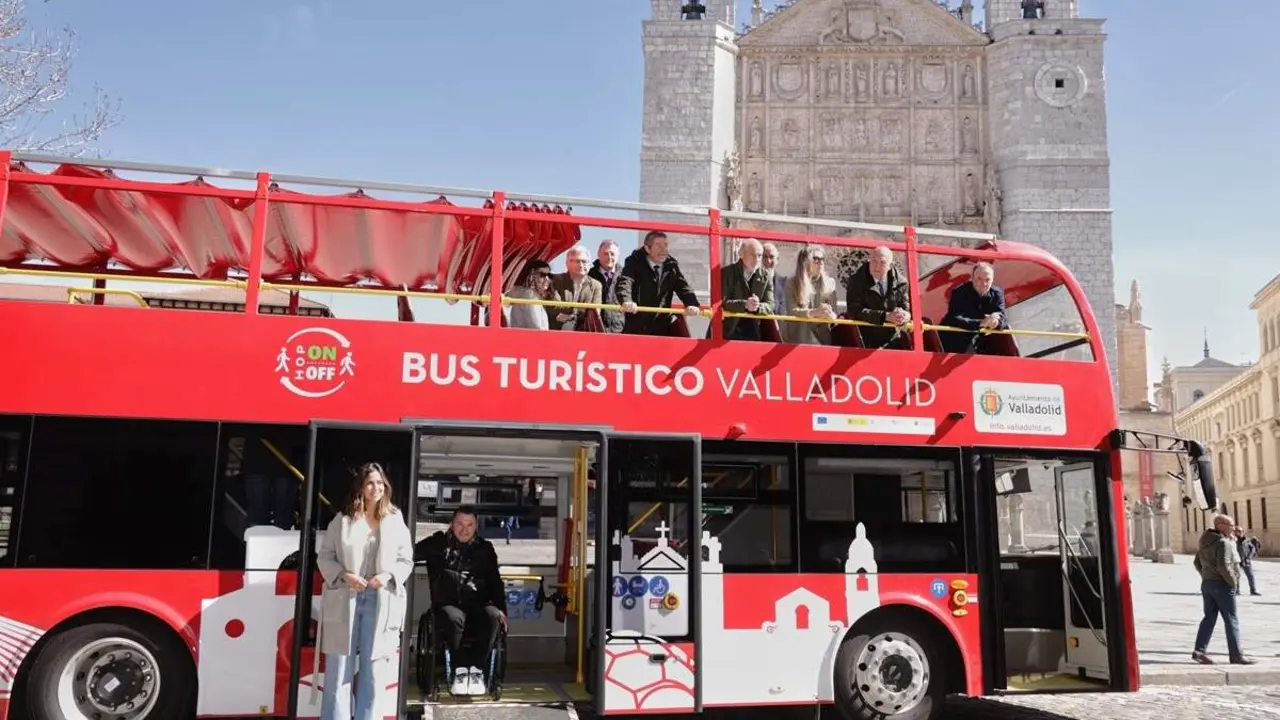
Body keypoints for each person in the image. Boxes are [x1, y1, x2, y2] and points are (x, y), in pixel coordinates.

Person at [315, 463, 414, 720]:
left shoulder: (395, 519)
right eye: (370, 483)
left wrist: (387, 576)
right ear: (360, 486)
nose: (376, 488)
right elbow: (325, 557)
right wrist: (345, 575)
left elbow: (406, 560)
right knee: (338, 670)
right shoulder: (343, 519)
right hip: (346, 597)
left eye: (380, 483)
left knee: (373, 670)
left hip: (380, 600)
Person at [416, 507, 508, 696]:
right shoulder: (437, 543)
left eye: (469, 525)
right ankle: (460, 671)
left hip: (478, 602)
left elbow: (495, 582)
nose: (464, 529)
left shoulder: (485, 548)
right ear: (452, 524)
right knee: (454, 618)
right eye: (460, 524)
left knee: (492, 616)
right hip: (448, 603)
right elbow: (408, 553)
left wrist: (502, 609)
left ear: (476, 527)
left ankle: (476, 671)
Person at [1191, 514, 1255, 665]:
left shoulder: (1204, 540)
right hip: (1222, 585)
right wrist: (1233, 582)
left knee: (1209, 618)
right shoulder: (1223, 543)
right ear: (1220, 525)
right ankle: (1236, 655)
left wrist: (1206, 576)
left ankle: (1199, 651)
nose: (1233, 528)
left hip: (1207, 584)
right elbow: (1224, 566)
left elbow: (1196, 562)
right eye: (1230, 525)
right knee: (1231, 620)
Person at [615, 230, 702, 336]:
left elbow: (683, 287)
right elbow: (625, 281)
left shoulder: (671, 266)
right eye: (659, 245)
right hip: (637, 326)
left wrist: (692, 304)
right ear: (647, 248)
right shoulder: (634, 262)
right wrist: (626, 301)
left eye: (665, 245)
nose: (664, 250)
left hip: (662, 327)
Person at [845, 246, 911, 349]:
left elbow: (907, 308)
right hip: (864, 341)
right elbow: (854, 311)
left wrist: (905, 316)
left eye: (882, 263)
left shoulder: (901, 283)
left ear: (890, 266)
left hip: (892, 340)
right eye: (874, 261)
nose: (877, 266)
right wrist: (885, 316)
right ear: (869, 260)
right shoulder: (856, 281)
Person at [940, 261, 1009, 353]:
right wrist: (981, 323)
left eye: (987, 280)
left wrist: (995, 322)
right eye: (979, 279)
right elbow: (955, 319)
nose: (983, 283)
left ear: (992, 280)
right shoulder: (959, 292)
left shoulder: (997, 293)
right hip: (954, 341)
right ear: (972, 278)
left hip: (980, 342)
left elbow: (1003, 317)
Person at [714, 238, 773, 341]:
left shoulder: (765, 276)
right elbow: (721, 303)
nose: (757, 259)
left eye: (759, 256)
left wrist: (758, 307)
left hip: (754, 333)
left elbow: (771, 305)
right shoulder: (727, 273)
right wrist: (745, 304)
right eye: (753, 255)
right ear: (741, 254)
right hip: (727, 332)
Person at [781, 244, 838, 345]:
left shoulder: (830, 282)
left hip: (822, 338)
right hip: (798, 337)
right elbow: (792, 311)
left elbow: (834, 313)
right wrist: (814, 312)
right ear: (805, 262)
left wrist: (830, 314)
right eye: (816, 259)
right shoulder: (792, 282)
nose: (820, 262)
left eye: (822, 259)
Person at [548, 245, 604, 331]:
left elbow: (595, 312)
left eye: (584, 261)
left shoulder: (596, 285)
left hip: (583, 333)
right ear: (567, 263)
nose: (581, 265)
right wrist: (581, 312)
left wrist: (572, 316)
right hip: (556, 331)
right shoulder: (555, 280)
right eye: (577, 261)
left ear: (589, 264)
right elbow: (555, 306)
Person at [588, 240, 625, 333]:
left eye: (612, 254)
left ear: (618, 255)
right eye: (605, 254)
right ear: (598, 254)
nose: (609, 257)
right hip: (595, 330)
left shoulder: (626, 276)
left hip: (620, 330)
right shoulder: (589, 275)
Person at [506, 260, 553, 330]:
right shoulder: (530, 295)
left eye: (549, 275)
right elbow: (536, 327)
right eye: (542, 275)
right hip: (528, 339)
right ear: (532, 275)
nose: (547, 279)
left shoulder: (525, 293)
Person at [1234, 527, 1261, 596]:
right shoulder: (1233, 540)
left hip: (1245, 560)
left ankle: (1253, 590)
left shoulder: (1247, 540)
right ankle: (1236, 590)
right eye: (1236, 531)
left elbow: (1252, 549)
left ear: (1242, 532)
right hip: (1236, 561)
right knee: (1236, 576)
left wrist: (1249, 557)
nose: (1237, 532)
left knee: (1250, 576)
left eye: (1239, 531)